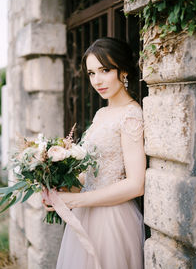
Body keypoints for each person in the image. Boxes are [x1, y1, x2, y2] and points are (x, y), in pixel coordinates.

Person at [42, 37, 146, 269]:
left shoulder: (130, 115)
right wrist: (63, 190)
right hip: (86, 215)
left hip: (112, 219)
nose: (97, 80)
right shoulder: (101, 114)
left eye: (105, 70)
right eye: (91, 73)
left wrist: (76, 200)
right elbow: (92, 172)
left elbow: (136, 184)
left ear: (124, 70)